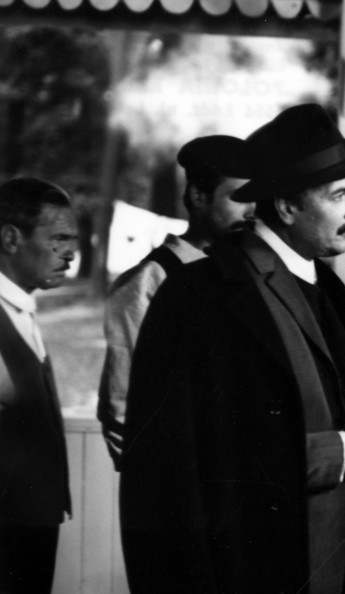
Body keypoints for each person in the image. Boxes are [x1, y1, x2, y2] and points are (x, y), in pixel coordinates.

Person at [119, 104, 345, 594]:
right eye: (338, 195)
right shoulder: (199, 298)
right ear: (287, 206)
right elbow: (195, 470)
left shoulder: (335, 300)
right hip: (235, 593)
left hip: (319, 584)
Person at [97, 135, 253, 469]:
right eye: (240, 198)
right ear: (199, 196)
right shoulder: (148, 282)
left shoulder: (248, 275)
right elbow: (122, 406)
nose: (252, 211)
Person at [0, 178, 78, 594]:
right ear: (10, 238)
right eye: (58, 238)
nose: (70, 253)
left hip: (32, 522)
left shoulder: (21, 309)